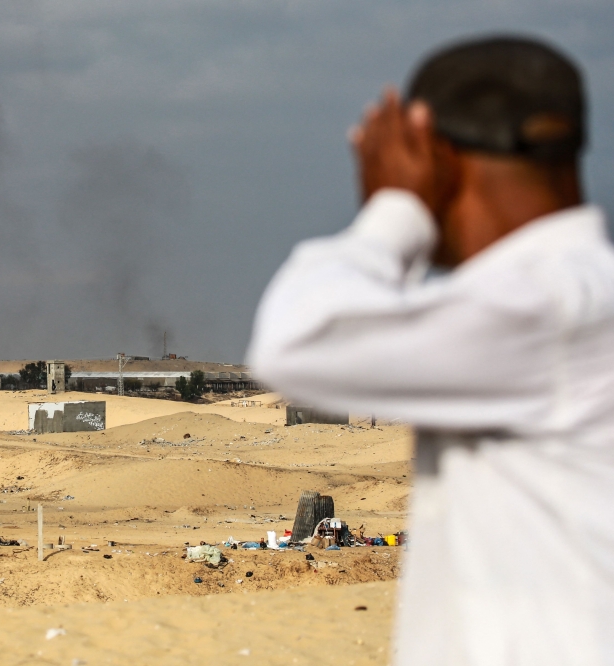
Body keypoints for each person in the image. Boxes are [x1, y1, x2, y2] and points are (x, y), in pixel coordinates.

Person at [247, 36, 613, 665]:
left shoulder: (548, 305)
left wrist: (394, 211)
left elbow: (298, 341)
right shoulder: (572, 293)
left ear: (437, 155)